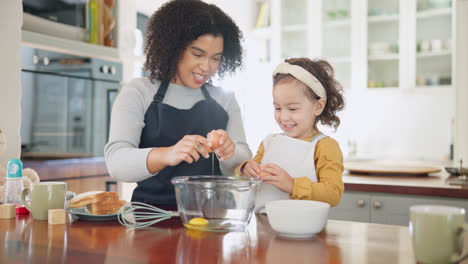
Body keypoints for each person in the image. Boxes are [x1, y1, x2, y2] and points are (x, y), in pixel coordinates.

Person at [104, 0, 251, 206]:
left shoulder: (225, 98)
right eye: (197, 54)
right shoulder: (139, 91)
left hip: (214, 219)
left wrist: (230, 151)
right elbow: (116, 163)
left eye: (216, 58)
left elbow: (242, 160)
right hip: (152, 220)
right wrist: (167, 153)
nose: (206, 67)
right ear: (173, 46)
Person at [236, 58, 345, 211]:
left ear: (318, 106)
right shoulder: (269, 142)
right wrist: (245, 169)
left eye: (293, 109)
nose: (284, 117)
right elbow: (245, 182)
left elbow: (333, 194)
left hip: (306, 230)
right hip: (264, 226)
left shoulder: (325, 146)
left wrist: (293, 185)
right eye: (278, 108)